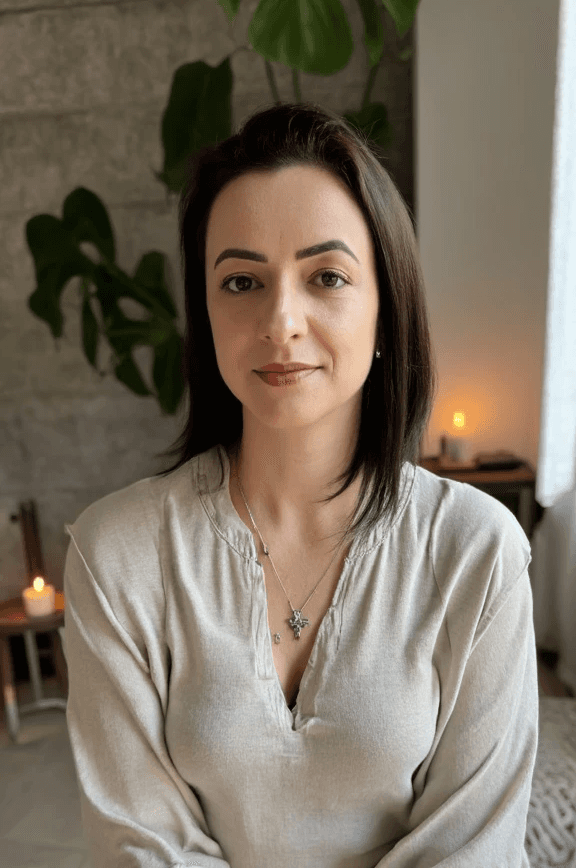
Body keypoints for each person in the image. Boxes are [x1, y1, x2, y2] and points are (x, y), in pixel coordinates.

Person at [63, 101, 539, 867]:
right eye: (242, 282)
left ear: (386, 310)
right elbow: (140, 846)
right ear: (207, 311)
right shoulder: (115, 556)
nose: (281, 320)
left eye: (327, 276)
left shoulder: (476, 555)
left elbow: (473, 847)